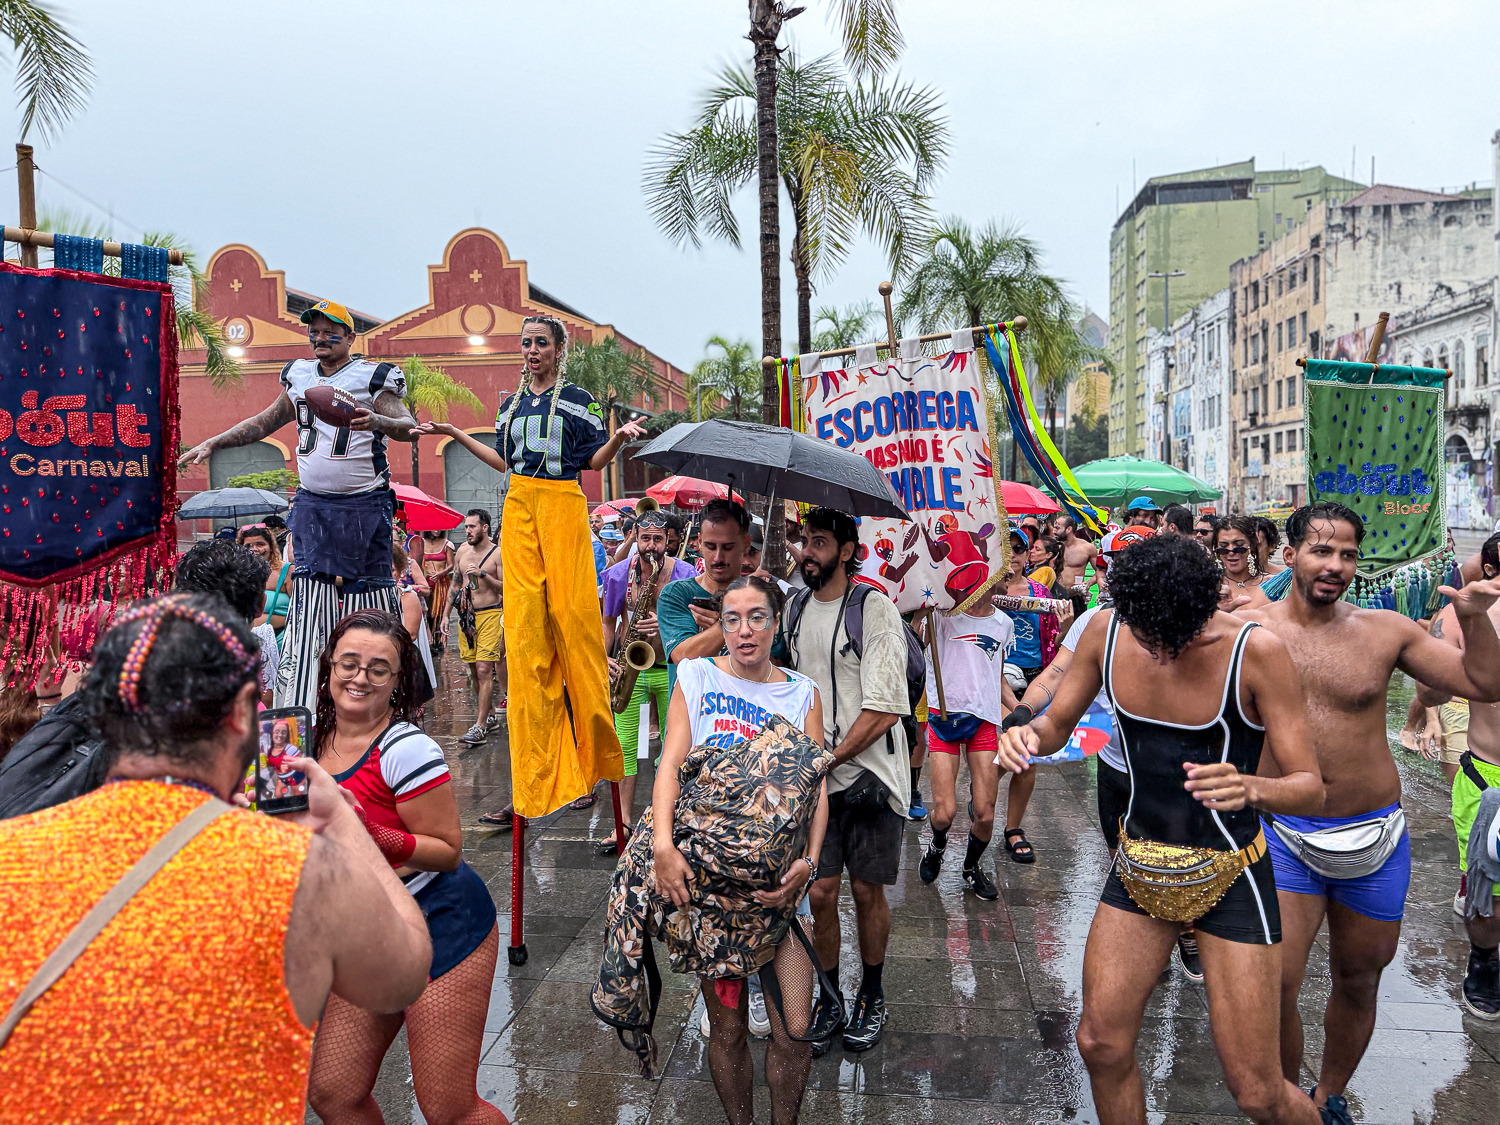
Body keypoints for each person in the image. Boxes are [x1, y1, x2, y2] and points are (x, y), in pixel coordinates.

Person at [0, 594, 432, 1121]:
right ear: (244, 712)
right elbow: (405, 972)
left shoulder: (11, 851)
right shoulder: (295, 869)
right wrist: (343, 822)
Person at [998, 534, 1327, 1125]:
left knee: (1258, 1092)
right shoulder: (1106, 633)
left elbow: (1310, 786)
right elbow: (1056, 725)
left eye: (1175, 639)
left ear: (1205, 612)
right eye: (1146, 637)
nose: (1159, 652)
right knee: (1100, 1044)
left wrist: (1252, 787)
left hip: (1232, 872)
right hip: (1139, 866)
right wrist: (1026, 735)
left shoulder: (1256, 651)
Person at [1244, 503, 1500, 1118]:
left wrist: (1474, 619)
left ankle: (1330, 1096)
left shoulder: (1386, 631)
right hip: (1283, 833)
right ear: (1290, 556)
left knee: (1360, 978)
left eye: (1348, 554)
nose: (1335, 565)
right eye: (1321, 551)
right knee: (1277, 984)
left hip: (1374, 837)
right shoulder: (1247, 631)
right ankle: (1290, 1103)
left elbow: (1484, 684)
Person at [599, 575, 826, 1123]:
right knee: (726, 1030)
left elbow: (816, 790)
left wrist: (809, 864)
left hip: (779, 889)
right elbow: (670, 766)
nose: (745, 631)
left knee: (796, 1030)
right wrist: (662, 846)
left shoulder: (802, 692)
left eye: (757, 618)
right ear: (720, 626)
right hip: (711, 889)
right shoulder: (697, 676)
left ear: (776, 623)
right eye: (733, 619)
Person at [419, 315, 634, 822]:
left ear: (559, 349)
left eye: (540, 342)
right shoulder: (511, 405)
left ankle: (594, 751)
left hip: (562, 503)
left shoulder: (578, 400)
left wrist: (620, 438)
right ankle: (537, 774)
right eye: (526, 343)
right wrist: (454, 432)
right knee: (526, 635)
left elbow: (594, 463)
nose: (532, 350)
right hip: (519, 503)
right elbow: (502, 460)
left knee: (574, 620)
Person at [306, 610, 508, 1125]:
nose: (360, 678)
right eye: (349, 663)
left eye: (378, 669)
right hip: (368, 931)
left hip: (441, 919)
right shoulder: (307, 740)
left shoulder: (407, 748)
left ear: (397, 681)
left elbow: (447, 850)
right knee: (334, 1093)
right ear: (329, 667)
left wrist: (369, 834)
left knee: (449, 1109)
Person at [181, 300, 418, 714]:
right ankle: (305, 699)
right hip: (312, 503)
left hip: (363, 503)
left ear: (350, 336)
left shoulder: (372, 376)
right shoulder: (299, 374)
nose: (320, 338)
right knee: (310, 602)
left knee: (371, 597)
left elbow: (408, 427)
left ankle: (386, 702)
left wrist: (378, 422)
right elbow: (265, 421)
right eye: (315, 331)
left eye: (330, 331)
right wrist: (216, 441)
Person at [785, 507, 910, 1055]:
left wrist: (828, 758)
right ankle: (831, 995)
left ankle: (872, 994)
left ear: (847, 551)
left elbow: (884, 708)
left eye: (820, 542)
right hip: (817, 780)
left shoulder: (873, 608)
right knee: (820, 890)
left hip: (872, 777)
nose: (807, 551)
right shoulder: (793, 608)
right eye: (805, 540)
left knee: (866, 890)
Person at [1406, 532, 1500, 1021]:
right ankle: (1484, 958)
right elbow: (1431, 689)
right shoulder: (1467, 613)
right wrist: (1467, 621)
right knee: (1490, 900)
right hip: (1491, 779)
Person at [600, 508, 697, 849]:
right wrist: (603, 658)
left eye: (658, 539)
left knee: (673, 748)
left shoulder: (684, 573)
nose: (651, 546)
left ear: (668, 540)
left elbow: (696, 622)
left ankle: (663, 821)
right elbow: (607, 623)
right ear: (636, 538)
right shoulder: (617, 574)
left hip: (671, 669)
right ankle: (623, 823)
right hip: (631, 668)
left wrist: (667, 622)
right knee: (625, 747)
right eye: (645, 539)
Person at [918, 575, 1019, 899]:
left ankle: (971, 867)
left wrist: (1020, 708)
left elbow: (997, 676)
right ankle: (937, 845)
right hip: (943, 719)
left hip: (984, 720)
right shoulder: (941, 616)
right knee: (944, 812)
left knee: (985, 813)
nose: (1007, 577)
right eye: (1001, 572)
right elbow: (916, 644)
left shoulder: (1003, 624)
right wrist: (923, 610)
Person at [993, 527, 1064, 864]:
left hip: (1034, 681)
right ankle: (983, 799)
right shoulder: (984, 590)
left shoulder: (1041, 592)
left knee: (1025, 757)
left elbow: (1057, 640)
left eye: (1019, 549)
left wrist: (1066, 625)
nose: (1013, 555)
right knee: (1007, 752)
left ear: (1028, 554)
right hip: (995, 680)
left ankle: (1013, 828)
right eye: (1006, 549)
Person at [450, 509, 505, 748]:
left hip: (491, 613)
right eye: (466, 527)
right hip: (467, 617)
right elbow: (455, 584)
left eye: (472, 526)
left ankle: (480, 725)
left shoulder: (498, 553)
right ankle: (490, 715)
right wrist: (445, 616)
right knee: (473, 670)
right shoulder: (462, 552)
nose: (467, 531)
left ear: (485, 527)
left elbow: (505, 588)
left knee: (484, 669)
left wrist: (483, 575)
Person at [238, 525, 292, 635]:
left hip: (281, 639)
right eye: (248, 545)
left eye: (260, 544)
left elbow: (301, 610)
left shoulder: (287, 570)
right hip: (245, 639)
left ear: (271, 547)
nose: (254, 549)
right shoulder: (237, 573)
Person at [1214, 515, 1269, 610]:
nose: (1231, 552)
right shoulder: (1208, 586)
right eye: (1223, 546)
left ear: (1252, 546)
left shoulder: (1272, 584)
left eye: (1239, 545)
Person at [419, 529, 456, 653]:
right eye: (434, 529)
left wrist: (441, 573)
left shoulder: (447, 544)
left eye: (439, 529)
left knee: (439, 611)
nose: (437, 531)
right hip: (426, 580)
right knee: (428, 611)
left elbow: (451, 565)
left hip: (441, 582)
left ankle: (439, 640)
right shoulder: (422, 543)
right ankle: (430, 639)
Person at [1054, 513, 1099, 594]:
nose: (1054, 531)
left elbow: (1100, 571)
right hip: (1055, 595)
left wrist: (1087, 584)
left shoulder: (1087, 548)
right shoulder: (1053, 547)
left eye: (1057, 528)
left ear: (1068, 529)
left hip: (1076, 596)